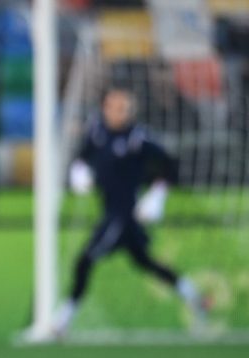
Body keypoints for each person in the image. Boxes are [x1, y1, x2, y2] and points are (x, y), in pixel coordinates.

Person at [54, 87, 207, 337]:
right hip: (114, 213)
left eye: (125, 107)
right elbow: (82, 155)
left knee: (85, 260)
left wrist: (157, 194)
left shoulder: (138, 138)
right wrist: (78, 170)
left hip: (122, 215)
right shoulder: (96, 132)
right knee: (145, 262)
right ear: (104, 107)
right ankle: (193, 296)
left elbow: (169, 164)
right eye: (114, 106)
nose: (120, 112)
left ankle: (63, 319)